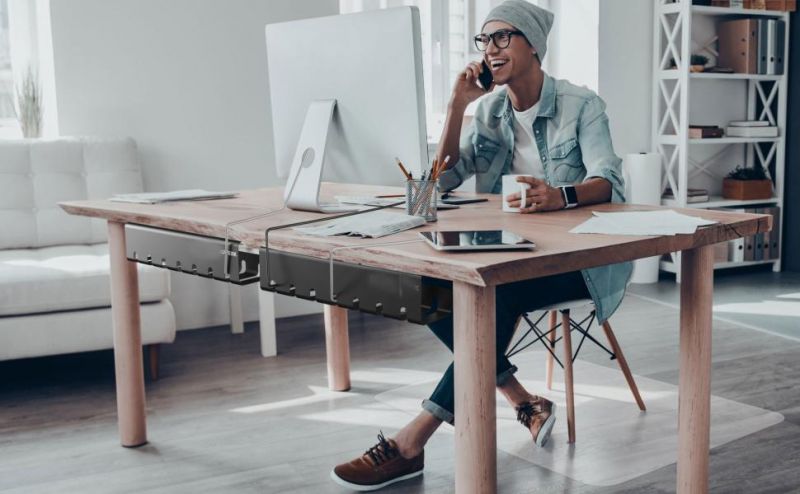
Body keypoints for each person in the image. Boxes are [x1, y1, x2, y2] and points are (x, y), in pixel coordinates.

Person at [330, 1, 632, 490]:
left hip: (579, 257)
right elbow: (433, 188)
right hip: (511, 250)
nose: (490, 50)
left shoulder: (582, 105)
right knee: (425, 285)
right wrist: (456, 105)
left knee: (492, 293)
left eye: (502, 38)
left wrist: (558, 196)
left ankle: (411, 442)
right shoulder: (489, 110)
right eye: (484, 40)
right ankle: (521, 399)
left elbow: (610, 183)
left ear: (534, 44)